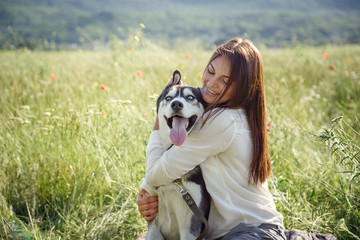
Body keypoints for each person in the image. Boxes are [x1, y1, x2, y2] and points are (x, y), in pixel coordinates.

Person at [137, 37, 286, 240]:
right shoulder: (227, 112)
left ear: (244, 86)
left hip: (252, 234)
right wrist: (150, 198)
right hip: (239, 232)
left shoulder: (221, 121)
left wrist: (162, 111)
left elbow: (155, 175)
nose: (213, 83)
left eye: (226, 80)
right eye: (211, 71)